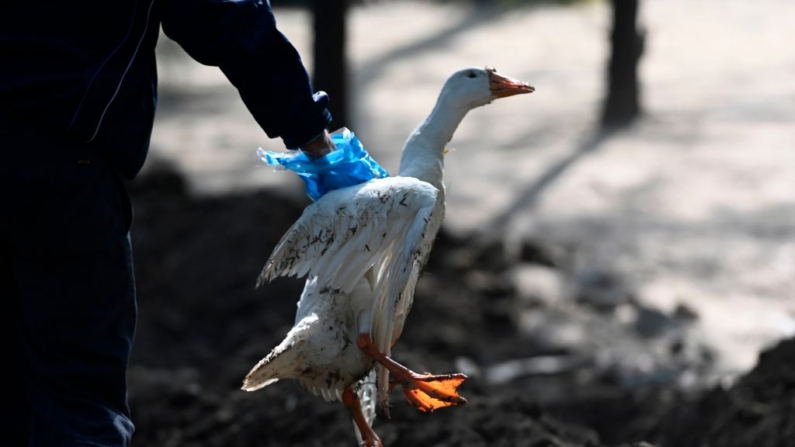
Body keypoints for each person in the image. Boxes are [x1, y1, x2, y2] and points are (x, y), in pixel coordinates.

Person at [0, 1, 346, 445]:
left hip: (51, 167)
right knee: (76, 400)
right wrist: (311, 134)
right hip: (57, 173)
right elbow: (220, 13)